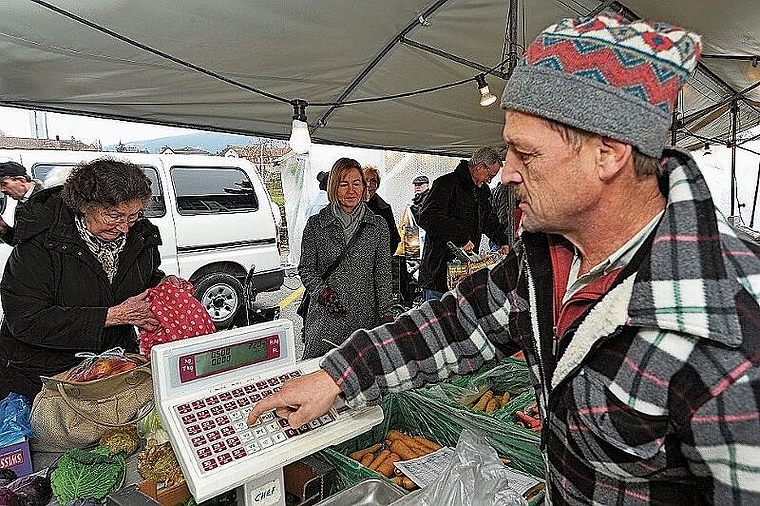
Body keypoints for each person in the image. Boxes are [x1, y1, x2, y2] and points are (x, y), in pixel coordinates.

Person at [249, 14, 760, 504]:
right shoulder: (548, 259)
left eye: (527, 155)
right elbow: (456, 321)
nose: (506, 174)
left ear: (609, 153)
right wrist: (336, 376)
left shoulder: (736, 330)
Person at [0, 158, 192, 400]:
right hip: (45, 381)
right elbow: (25, 320)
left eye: (133, 217)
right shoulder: (39, 246)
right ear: (84, 206)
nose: (124, 228)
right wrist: (111, 316)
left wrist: (162, 284)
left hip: (112, 369)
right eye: (114, 216)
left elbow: (144, 277)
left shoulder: (140, 237)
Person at [298, 158, 392, 359]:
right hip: (326, 317)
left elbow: (383, 274)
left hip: (365, 318)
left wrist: (386, 313)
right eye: (344, 184)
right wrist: (323, 294)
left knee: (361, 376)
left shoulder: (378, 225)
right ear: (334, 187)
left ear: (364, 187)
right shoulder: (316, 225)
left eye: (356, 183)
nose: (351, 190)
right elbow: (306, 269)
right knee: (320, 375)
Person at [417, 147, 510, 300]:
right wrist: (460, 237)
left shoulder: (482, 191)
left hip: (465, 274)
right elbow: (427, 217)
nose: (490, 180)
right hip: (438, 274)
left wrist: (503, 241)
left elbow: (489, 221)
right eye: (490, 175)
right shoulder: (445, 184)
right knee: (435, 321)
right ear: (479, 167)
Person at [0, 161, 45, 245]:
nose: (2, 190)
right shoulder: (22, 203)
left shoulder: (47, 200)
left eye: (4, 184)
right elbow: (21, 242)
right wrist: (4, 228)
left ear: (21, 180)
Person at [363, 165, 401, 254]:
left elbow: (393, 238)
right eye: (365, 180)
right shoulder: (348, 205)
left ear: (377, 185)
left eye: (373, 181)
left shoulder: (384, 209)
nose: (369, 185)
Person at [395, 175, 429, 259]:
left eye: (421, 185)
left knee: (417, 261)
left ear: (427, 185)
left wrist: (412, 208)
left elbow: (422, 216)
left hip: (421, 238)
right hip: (414, 238)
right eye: (416, 185)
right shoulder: (417, 200)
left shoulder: (427, 199)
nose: (417, 187)